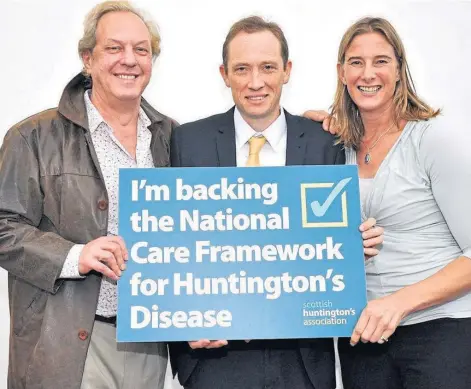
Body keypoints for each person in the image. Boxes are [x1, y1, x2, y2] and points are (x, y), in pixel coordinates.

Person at [169, 16, 384, 389]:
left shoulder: (326, 142)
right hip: (214, 356)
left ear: (287, 70)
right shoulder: (187, 142)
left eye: (268, 67)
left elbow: (331, 239)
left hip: (301, 358)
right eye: (242, 69)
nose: (256, 82)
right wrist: (182, 323)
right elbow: (168, 245)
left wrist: (352, 247)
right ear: (224, 74)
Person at [0, 2, 178, 388]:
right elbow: (3, 228)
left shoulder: (171, 138)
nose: (128, 60)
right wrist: (74, 255)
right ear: (87, 59)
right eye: (114, 48)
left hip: (149, 342)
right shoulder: (32, 137)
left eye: (141, 50)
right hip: (66, 342)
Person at [306, 16, 471, 389]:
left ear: (399, 69)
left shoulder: (432, 139)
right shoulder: (336, 146)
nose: (368, 73)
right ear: (341, 71)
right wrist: (302, 125)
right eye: (356, 62)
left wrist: (398, 303)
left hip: (439, 329)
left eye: (381, 61)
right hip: (363, 335)